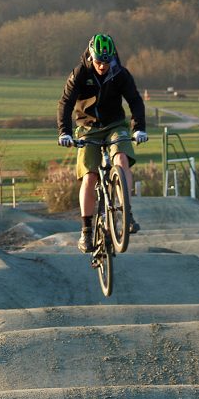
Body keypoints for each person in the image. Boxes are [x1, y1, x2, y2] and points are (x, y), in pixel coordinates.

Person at [57, 33, 148, 253]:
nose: (102, 66)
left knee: (121, 158)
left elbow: (135, 100)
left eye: (106, 62)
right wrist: (65, 133)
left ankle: (126, 212)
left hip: (115, 125)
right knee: (89, 176)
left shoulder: (120, 74)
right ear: (91, 56)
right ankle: (86, 231)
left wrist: (139, 129)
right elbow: (66, 103)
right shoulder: (80, 73)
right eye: (98, 61)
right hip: (88, 128)